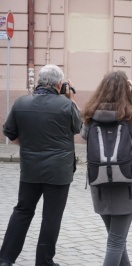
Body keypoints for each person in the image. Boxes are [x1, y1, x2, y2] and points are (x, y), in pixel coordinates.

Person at [1, 64, 81, 266]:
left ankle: (5, 259)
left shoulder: (21, 103)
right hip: (59, 172)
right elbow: (77, 126)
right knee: (51, 217)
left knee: (22, 210)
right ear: (59, 84)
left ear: (39, 82)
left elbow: (9, 132)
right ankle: (44, 262)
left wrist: (26, 143)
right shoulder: (66, 105)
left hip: (30, 169)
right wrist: (71, 98)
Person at [80, 71, 132, 266]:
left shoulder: (90, 115)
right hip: (126, 185)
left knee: (117, 240)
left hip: (100, 184)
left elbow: (84, 135)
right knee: (116, 242)